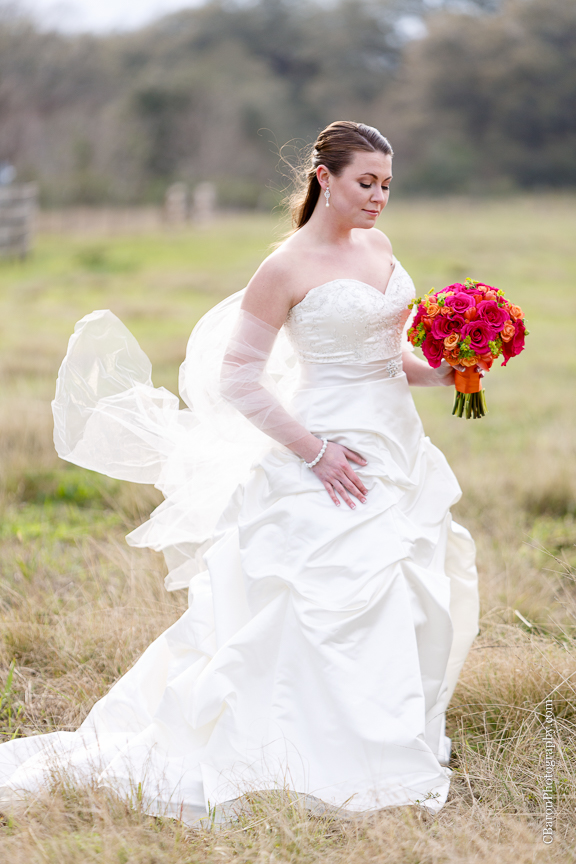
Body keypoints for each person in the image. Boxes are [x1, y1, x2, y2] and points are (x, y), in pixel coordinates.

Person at [0, 121, 479, 823]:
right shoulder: (284, 267)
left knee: (400, 596)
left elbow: (381, 357)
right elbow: (242, 381)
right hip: (320, 457)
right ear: (325, 178)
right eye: (365, 182)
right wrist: (314, 452)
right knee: (312, 603)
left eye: (386, 184)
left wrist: (443, 373)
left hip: (396, 448)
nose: (379, 197)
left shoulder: (379, 247)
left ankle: (380, 746)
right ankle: (291, 755)